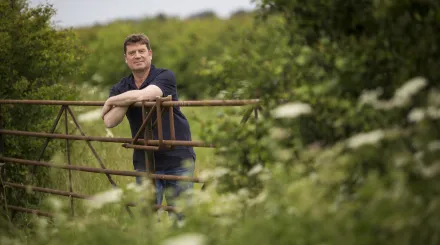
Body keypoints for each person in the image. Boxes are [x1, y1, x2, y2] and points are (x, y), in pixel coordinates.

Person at [101, 33, 196, 208]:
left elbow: (147, 95)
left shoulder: (166, 76)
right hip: (144, 160)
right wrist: (128, 99)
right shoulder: (122, 86)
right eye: (132, 53)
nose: (137, 56)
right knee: (148, 219)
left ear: (150, 54)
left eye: (141, 51)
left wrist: (113, 100)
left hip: (177, 157)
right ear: (125, 58)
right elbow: (109, 121)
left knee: (182, 217)